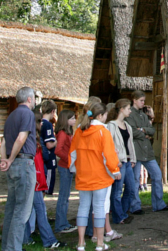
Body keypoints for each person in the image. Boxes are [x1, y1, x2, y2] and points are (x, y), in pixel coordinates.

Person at [71, 101, 121, 251]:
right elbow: (109, 155)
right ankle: (99, 244)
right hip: (100, 176)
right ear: (101, 115)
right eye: (105, 115)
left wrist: (75, 169)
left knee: (83, 207)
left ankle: (81, 243)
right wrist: (115, 170)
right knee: (99, 208)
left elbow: (72, 154)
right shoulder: (103, 132)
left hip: (83, 175)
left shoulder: (79, 131)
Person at [1, 86, 39, 251]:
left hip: (13, 165)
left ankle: (7, 246)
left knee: (11, 207)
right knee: (22, 211)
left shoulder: (11, 115)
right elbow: (22, 138)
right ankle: (13, 248)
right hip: (23, 163)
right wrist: (9, 159)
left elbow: (3, 141)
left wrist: (5, 160)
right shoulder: (28, 114)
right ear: (29, 99)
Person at [23, 109, 65, 249]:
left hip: (34, 178)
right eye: (40, 121)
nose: (42, 123)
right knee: (39, 209)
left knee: (26, 209)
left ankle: (25, 238)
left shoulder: (32, 137)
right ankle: (49, 240)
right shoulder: (31, 140)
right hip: (34, 179)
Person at [125, 92, 168, 213]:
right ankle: (135, 206)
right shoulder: (129, 114)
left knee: (157, 175)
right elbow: (131, 132)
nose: (143, 103)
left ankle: (158, 204)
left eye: (143, 100)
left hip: (148, 152)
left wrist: (143, 130)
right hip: (136, 151)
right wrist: (144, 133)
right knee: (135, 179)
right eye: (141, 100)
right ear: (134, 100)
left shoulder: (143, 115)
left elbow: (152, 130)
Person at [104, 99, 136, 232]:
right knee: (117, 191)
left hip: (128, 161)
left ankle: (122, 212)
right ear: (121, 109)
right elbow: (109, 144)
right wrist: (114, 161)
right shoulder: (111, 125)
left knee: (131, 188)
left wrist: (133, 158)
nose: (130, 110)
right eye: (128, 108)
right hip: (119, 162)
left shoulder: (127, 125)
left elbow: (130, 144)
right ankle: (119, 216)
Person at [54, 109, 78, 235]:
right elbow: (58, 150)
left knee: (65, 197)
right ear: (66, 120)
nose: (74, 120)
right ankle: (61, 225)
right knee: (63, 197)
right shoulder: (63, 134)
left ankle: (63, 223)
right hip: (65, 167)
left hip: (67, 166)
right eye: (72, 118)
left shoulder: (68, 133)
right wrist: (69, 160)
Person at [41, 100, 59, 196]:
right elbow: (49, 144)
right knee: (45, 186)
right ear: (53, 111)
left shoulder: (39, 122)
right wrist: (57, 140)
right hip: (48, 159)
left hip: (42, 158)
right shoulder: (47, 125)